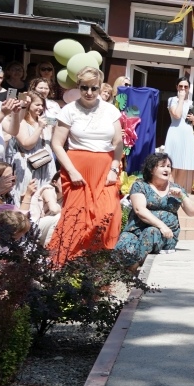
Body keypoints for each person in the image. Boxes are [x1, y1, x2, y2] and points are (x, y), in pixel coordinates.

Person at [49, 66, 124, 264]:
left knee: (107, 215)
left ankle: (96, 265)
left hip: (105, 169)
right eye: (84, 88)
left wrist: (114, 169)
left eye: (94, 88)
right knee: (76, 219)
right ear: (78, 87)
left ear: (100, 87)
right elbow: (56, 144)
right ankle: (63, 266)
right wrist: (71, 171)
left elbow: (119, 144)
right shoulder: (69, 110)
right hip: (77, 169)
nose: (89, 93)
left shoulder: (111, 110)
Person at [116, 153, 194, 265]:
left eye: (169, 166)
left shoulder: (176, 189)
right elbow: (139, 209)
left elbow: (193, 212)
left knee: (151, 232)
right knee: (124, 243)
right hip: (136, 230)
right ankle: (112, 273)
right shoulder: (140, 185)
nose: (167, 169)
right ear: (151, 169)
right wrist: (162, 225)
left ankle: (131, 271)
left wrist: (182, 197)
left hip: (165, 234)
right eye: (162, 166)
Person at [3, 89, 55, 201]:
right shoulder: (21, 122)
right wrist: (40, 128)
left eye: (42, 105)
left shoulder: (46, 121)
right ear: (29, 105)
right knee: (26, 198)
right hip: (28, 167)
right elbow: (26, 144)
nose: (40, 108)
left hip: (46, 166)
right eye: (37, 105)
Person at [164, 78, 194, 191]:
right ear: (177, 87)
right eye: (181, 86)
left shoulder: (191, 103)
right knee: (172, 165)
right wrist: (180, 99)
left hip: (187, 135)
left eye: (186, 86)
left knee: (183, 166)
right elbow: (177, 115)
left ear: (189, 88)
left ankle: (177, 193)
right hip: (175, 133)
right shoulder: (172, 100)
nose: (183, 89)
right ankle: (168, 192)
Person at [28, 171, 63, 247]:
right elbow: (53, 209)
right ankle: (48, 249)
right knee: (59, 217)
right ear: (55, 182)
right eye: (63, 181)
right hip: (32, 225)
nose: (65, 184)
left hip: (43, 228)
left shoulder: (64, 198)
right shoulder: (48, 189)